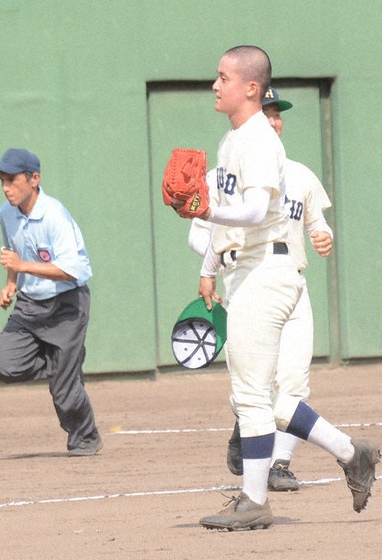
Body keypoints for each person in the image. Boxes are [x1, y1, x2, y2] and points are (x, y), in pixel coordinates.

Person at [170, 46, 379, 531]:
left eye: (223, 77)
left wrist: (206, 210)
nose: (215, 85)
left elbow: (253, 211)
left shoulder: (259, 140)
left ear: (250, 87)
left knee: (249, 395)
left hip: (265, 270)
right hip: (248, 270)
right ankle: (354, 453)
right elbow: (230, 218)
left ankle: (254, 500)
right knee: (261, 395)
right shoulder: (233, 139)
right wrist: (208, 252)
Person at [188, 87, 334, 492]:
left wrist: (324, 236)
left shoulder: (301, 174)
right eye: (266, 112)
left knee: (294, 381)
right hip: (246, 279)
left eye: (277, 114)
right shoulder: (226, 169)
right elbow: (207, 233)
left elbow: (316, 224)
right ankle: (262, 434)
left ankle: (278, 464)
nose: (273, 120)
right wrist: (214, 265)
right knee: (258, 387)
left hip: (291, 280)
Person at [0, 148, 102, 457]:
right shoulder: (6, 212)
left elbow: (70, 270)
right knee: (5, 366)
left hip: (67, 304)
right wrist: (10, 284)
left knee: (64, 392)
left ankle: (86, 436)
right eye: (2, 181)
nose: (6, 187)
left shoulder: (54, 215)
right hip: (29, 303)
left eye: (12, 180)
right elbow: (13, 252)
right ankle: (61, 363)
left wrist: (21, 267)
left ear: (34, 179)